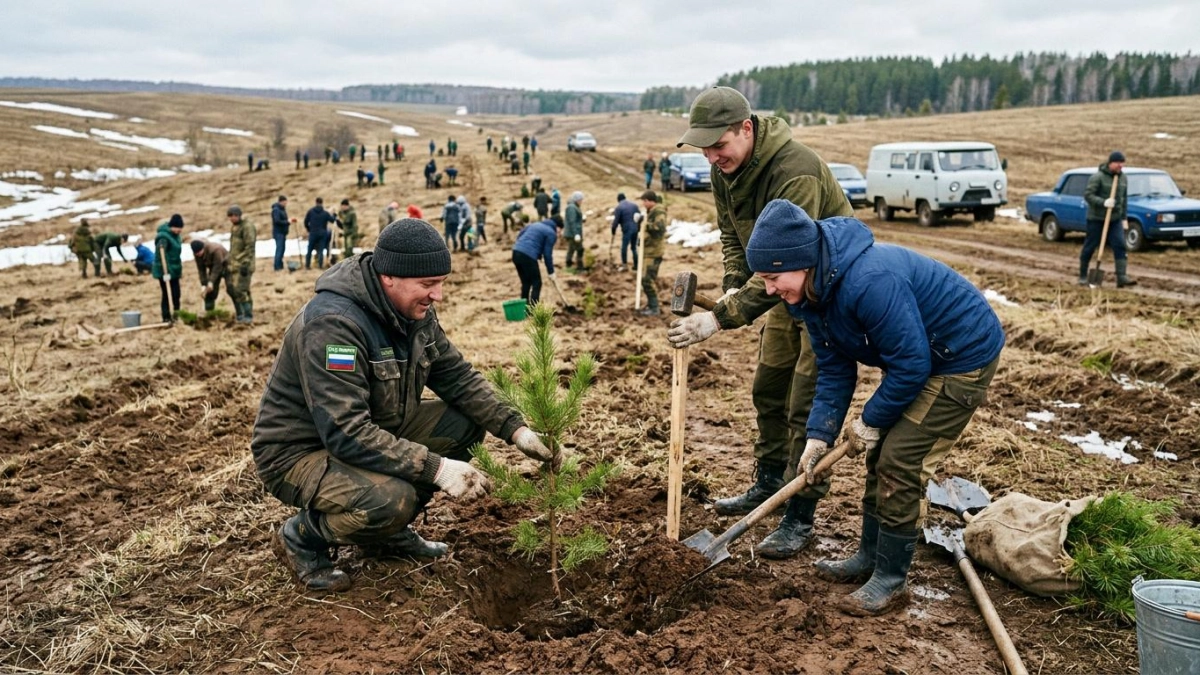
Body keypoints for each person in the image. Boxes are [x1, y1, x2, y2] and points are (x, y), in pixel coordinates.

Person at [251, 218, 558, 592]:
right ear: (389, 277)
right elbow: (345, 432)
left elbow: (457, 377)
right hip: (299, 452)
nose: (438, 295)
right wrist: (438, 469)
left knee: (463, 424)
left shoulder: (413, 314)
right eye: (428, 285)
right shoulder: (334, 325)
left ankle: (384, 535)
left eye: (441, 283)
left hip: (372, 431)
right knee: (391, 499)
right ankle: (302, 536)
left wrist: (516, 429)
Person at [745, 200, 1004, 616]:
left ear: (801, 261)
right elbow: (833, 369)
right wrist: (818, 435)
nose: (771, 289)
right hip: (919, 358)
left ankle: (891, 579)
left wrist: (868, 421)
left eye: (774, 277)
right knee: (880, 456)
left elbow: (912, 365)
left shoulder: (869, 280)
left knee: (900, 459)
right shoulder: (808, 294)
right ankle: (869, 556)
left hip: (960, 357)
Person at [667, 86, 853, 556]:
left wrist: (720, 317)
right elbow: (733, 234)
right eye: (704, 148)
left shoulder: (797, 171)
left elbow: (793, 256)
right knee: (769, 390)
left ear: (746, 129)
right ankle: (767, 483)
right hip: (779, 290)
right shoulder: (724, 170)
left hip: (826, 293)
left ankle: (799, 512)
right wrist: (734, 283)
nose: (711, 156)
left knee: (806, 404)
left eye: (719, 145)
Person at [1080, 150, 1136, 288]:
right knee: (1090, 246)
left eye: (1122, 163)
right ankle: (1082, 275)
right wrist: (1103, 202)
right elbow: (1088, 195)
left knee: (1120, 245)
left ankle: (1122, 277)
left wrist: (1124, 218)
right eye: (1118, 163)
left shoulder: (1123, 179)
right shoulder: (1097, 177)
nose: (1120, 166)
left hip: (1115, 219)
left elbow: (1124, 200)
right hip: (1097, 218)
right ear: (1110, 163)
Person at [512, 215, 562, 305]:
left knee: (526, 282)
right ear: (557, 227)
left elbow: (520, 234)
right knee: (537, 282)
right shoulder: (551, 233)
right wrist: (551, 272)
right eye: (560, 230)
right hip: (528, 255)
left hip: (516, 252)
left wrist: (536, 254)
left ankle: (525, 308)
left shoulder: (534, 225)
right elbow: (547, 254)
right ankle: (534, 310)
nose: (559, 233)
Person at [637, 190, 667, 315]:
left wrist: (645, 224)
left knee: (646, 279)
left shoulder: (658, 211)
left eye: (644, 201)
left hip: (653, 252)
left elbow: (659, 228)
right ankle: (651, 305)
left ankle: (654, 308)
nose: (643, 204)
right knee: (647, 279)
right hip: (649, 250)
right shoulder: (651, 212)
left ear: (649, 201)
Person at [228, 204, 257, 324]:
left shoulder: (247, 227)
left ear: (238, 215)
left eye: (233, 216)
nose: (231, 219)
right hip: (236, 264)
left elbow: (250, 246)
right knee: (241, 289)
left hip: (244, 265)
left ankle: (248, 315)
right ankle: (245, 314)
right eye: (229, 216)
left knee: (241, 290)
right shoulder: (235, 227)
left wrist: (245, 263)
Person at [153, 215, 185, 323]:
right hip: (164, 270)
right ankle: (166, 317)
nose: (179, 230)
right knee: (167, 293)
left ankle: (176, 315)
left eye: (180, 228)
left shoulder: (176, 236)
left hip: (174, 269)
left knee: (176, 293)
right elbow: (161, 256)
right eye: (177, 228)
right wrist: (165, 272)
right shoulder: (163, 237)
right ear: (172, 226)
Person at [192, 238, 232, 313]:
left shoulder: (215, 250)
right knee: (209, 292)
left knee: (232, 288)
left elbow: (217, 267)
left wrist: (211, 282)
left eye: (200, 252)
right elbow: (201, 270)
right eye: (196, 254)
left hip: (227, 267)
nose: (198, 255)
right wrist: (204, 284)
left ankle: (241, 314)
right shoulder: (197, 255)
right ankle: (209, 312)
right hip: (213, 268)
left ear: (203, 248)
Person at [305, 198, 337, 270]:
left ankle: (307, 265)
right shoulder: (325, 213)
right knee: (320, 250)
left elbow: (305, 222)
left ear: (316, 202)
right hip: (322, 234)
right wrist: (334, 215)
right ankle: (320, 265)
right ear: (322, 203)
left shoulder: (310, 212)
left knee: (309, 250)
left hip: (313, 233)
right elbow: (332, 220)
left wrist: (309, 229)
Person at [610, 192, 640, 272]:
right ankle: (636, 265)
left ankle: (624, 265)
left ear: (618, 200)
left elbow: (615, 222)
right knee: (634, 248)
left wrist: (613, 230)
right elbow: (639, 217)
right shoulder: (634, 205)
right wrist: (639, 229)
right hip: (635, 228)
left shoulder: (619, 208)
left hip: (627, 230)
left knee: (624, 247)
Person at [564, 191, 585, 272]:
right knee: (580, 249)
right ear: (576, 200)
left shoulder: (573, 207)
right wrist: (576, 234)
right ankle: (580, 267)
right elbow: (572, 222)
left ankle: (568, 263)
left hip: (572, 233)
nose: (581, 202)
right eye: (580, 200)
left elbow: (575, 220)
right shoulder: (572, 208)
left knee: (571, 248)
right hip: (572, 233)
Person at [272, 195, 294, 272]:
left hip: (282, 233)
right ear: (281, 201)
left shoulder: (282, 209)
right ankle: (277, 267)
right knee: (279, 249)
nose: (286, 204)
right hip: (278, 233)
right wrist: (287, 222)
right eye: (285, 202)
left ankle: (280, 266)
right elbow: (277, 221)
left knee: (282, 249)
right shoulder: (276, 210)